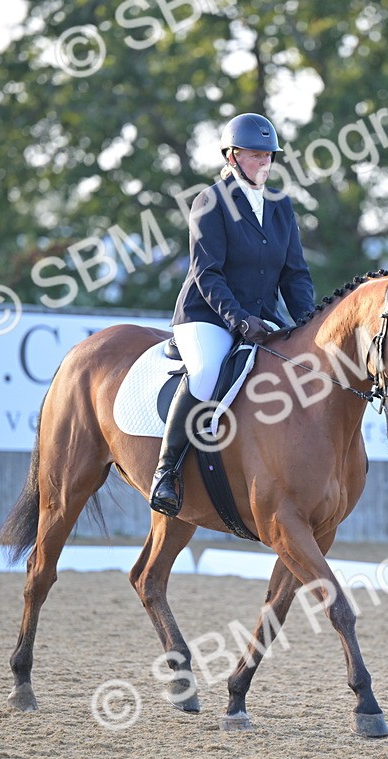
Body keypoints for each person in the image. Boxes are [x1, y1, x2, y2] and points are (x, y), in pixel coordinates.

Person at [149, 112, 315, 516]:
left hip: (262, 318)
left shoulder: (280, 206)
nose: (264, 162)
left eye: (268, 156)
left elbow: (294, 274)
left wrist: (309, 324)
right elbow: (208, 272)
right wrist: (238, 319)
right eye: (255, 155)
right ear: (232, 156)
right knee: (207, 371)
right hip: (207, 315)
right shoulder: (211, 202)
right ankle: (167, 472)